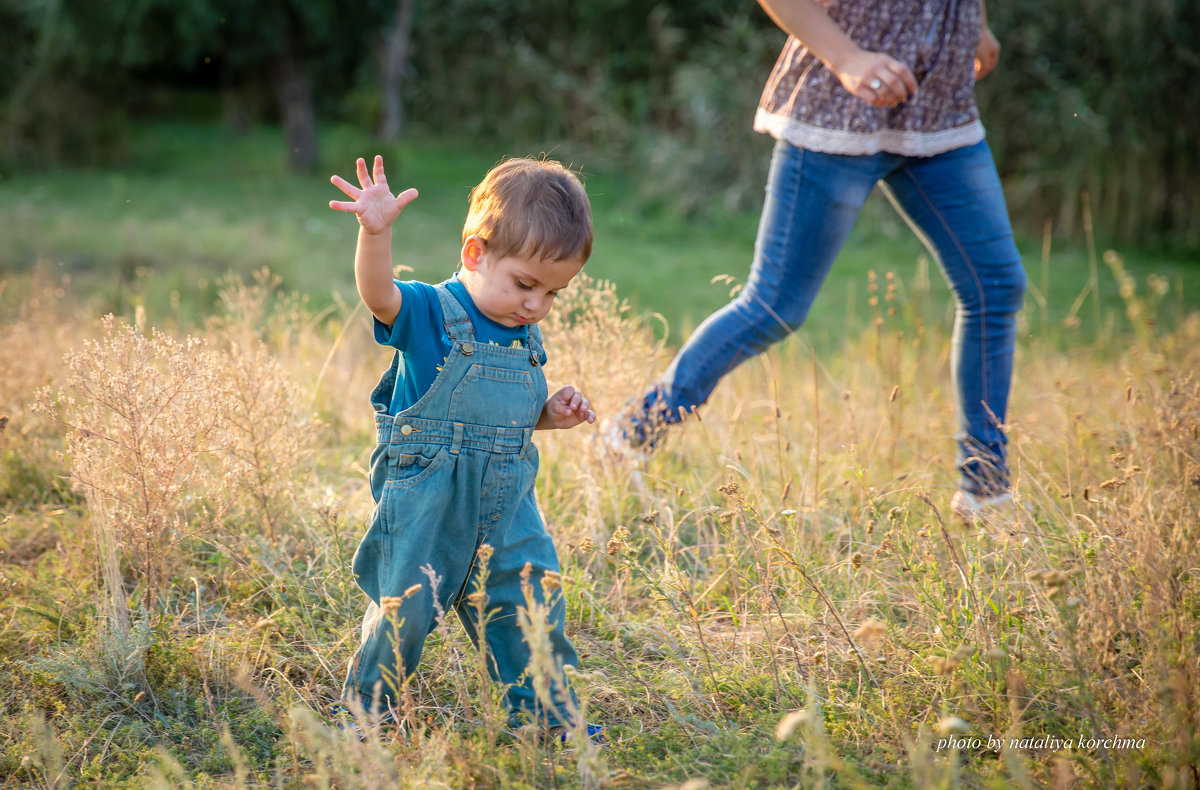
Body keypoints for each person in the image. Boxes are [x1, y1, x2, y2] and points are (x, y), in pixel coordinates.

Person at [610, 0, 1027, 520]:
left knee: (996, 285)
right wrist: (848, 58)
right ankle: (631, 433)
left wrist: (976, 21)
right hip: (841, 105)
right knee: (773, 306)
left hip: (938, 108)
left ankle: (985, 488)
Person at [328, 154, 600, 736]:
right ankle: (366, 713)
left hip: (508, 501)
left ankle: (546, 719)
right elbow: (379, 295)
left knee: (530, 602)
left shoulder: (525, 332)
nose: (536, 305)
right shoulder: (430, 312)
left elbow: (509, 417)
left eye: (554, 294)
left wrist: (549, 415)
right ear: (475, 253)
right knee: (405, 611)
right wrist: (375, 233)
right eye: (526, 285)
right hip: (428, 498)